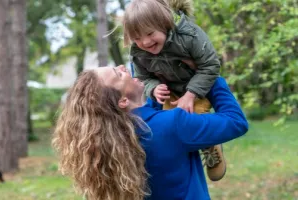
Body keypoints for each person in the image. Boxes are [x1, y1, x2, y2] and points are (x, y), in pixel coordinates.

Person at [52, 65, 248, 200]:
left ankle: (206, 141)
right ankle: (207, 141)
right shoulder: (171, 125)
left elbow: (151, 114)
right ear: (122, 101)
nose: (123, 67)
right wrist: (210, 77)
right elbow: (236, 121)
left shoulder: (112, 141)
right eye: (118, 74)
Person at [123, 0, 225, 181]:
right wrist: (153, 88)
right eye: (137, 38)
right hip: (170, 92)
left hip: (197, 86)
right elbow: (142, 78)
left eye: (149, 33)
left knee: (195, 117)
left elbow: (210, 65)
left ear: (164, 23)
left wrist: (191, 94)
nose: (145, 42)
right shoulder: (138, 51)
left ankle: (210, 145)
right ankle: (181, 161)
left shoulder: (189, 35)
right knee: (172, 127)